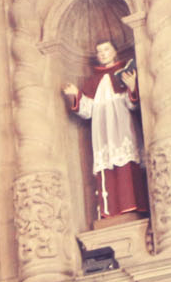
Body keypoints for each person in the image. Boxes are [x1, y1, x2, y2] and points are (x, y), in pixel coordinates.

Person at [62, 39, 148, 225]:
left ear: (115, 51)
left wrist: (132, 86)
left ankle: (132, 207)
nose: (102, 54)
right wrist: (76, 95)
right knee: (106, 165)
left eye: (106, 49)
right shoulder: (93, 81)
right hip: (102, 133)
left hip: (124, 128)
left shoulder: (124, 73)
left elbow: (132, 104)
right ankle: (111, 212)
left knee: (127, 162)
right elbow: (87, 111)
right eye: (99, 51)